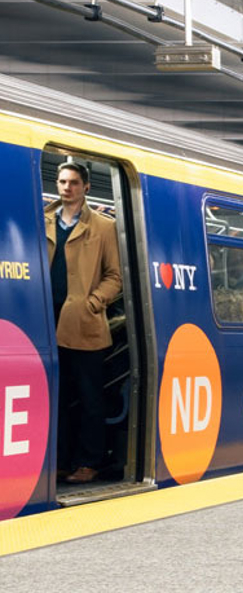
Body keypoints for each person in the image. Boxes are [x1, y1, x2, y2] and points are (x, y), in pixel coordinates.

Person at [46, 161, 120, 484]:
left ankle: (89, 462)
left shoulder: (103, 227)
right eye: (62, 181)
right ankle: (59, 460)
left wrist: (93, 303)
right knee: (56, 397)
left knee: (90, 398)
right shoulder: (44, 220)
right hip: (48, 321)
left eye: (74, 182)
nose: (67, 188)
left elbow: (115, 277)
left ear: (86, 187)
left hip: (85, 324)